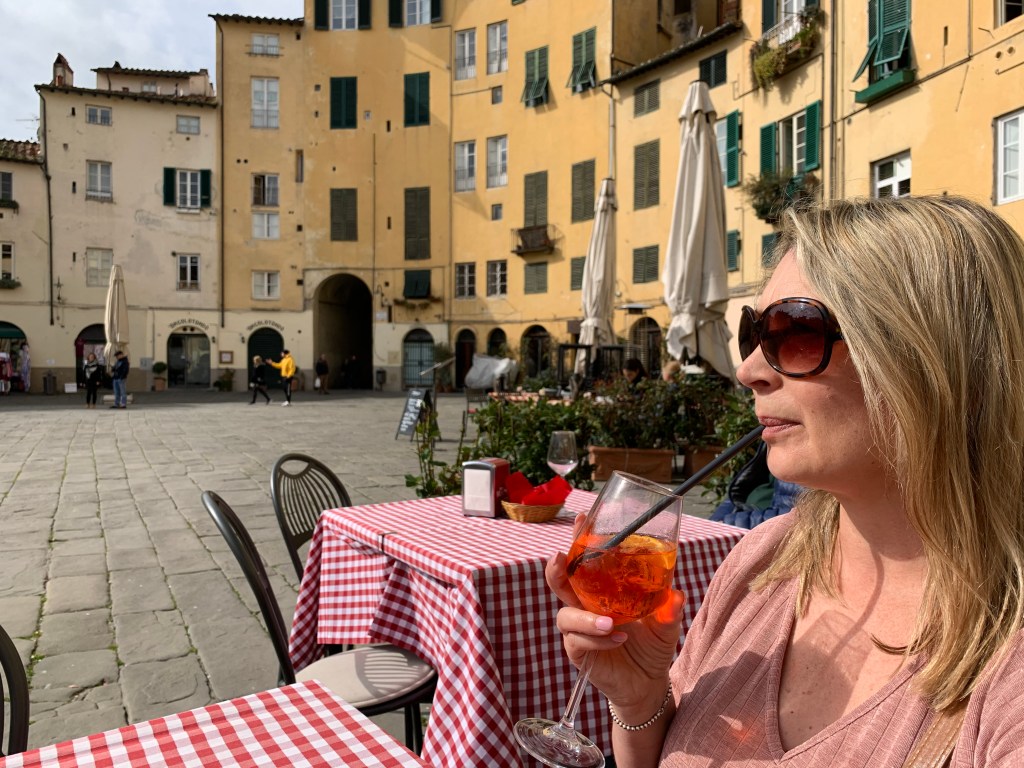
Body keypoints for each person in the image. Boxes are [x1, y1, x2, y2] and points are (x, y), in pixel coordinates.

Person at [546, 196, 1024, 767]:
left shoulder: (1006, 673)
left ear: (934, 361)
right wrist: (641, 700)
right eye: (753, 333)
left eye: (795, 332)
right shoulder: (763, 561)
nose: (748, 369)